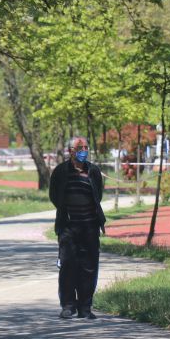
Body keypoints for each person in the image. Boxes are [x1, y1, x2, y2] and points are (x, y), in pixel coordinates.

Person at [49, 136, 106, 320]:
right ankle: (68, 306)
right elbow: (54, 195)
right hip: (68, 227)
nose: (84, 151)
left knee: (89, 268)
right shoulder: (61, 171)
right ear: (70, 151)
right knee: (68, 266)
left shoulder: (93, 171)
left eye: (86, 147)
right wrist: (66, 211)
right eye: (80, 148)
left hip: (90, 226)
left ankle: (85, 308)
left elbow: (98, 194)